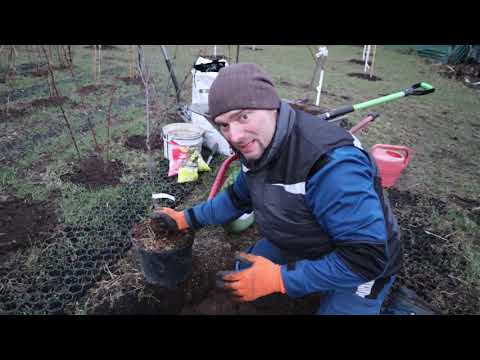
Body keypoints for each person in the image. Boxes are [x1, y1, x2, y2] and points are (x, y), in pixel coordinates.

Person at [153, 63, 402, 315]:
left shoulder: (332, 166)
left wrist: (279, 279)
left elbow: (367, 258)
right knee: (242, 274)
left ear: (271, 106)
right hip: (307, 239)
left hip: (361, 263)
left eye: (243, 116)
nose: (235, 135)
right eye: (224, 125)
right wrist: (187, 219)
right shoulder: (258, 148)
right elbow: (237, 199)